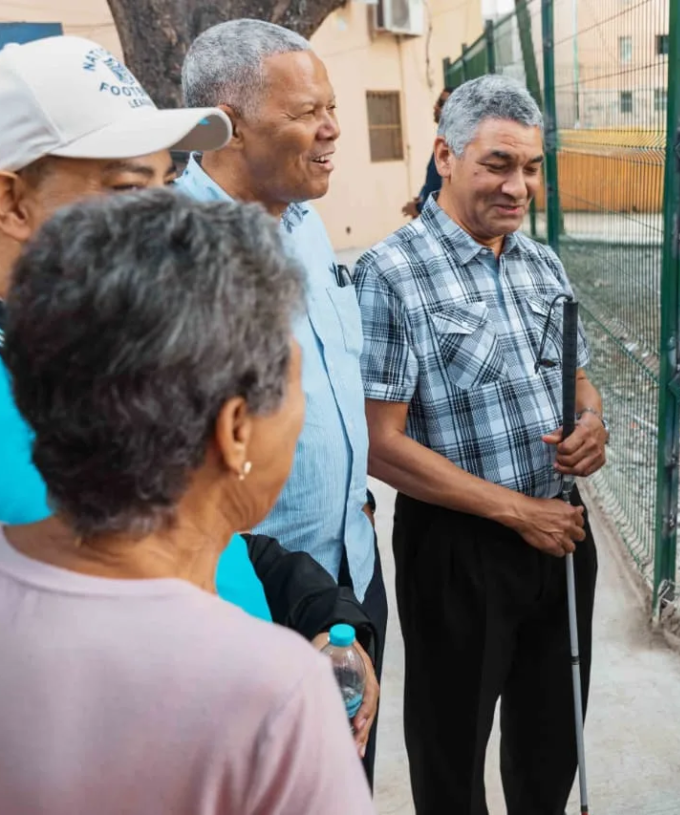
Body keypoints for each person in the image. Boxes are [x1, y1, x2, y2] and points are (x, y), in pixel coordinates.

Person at [0, 34, 380, 757]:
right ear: (12, 201)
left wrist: (310, 602)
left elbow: (195, 536)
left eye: (163, 182)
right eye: (126, 191)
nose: (164, 217)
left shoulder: (116, 348)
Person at [355, 73, 607, 815]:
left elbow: (578, 380)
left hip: (561, 533)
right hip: (458, 550)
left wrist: (592, 424)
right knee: (452, 750)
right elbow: (379, 443)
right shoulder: (391, 274)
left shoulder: (541, 263)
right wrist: (515, 512)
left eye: (530, 167)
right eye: (498, 164)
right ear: (446, 156)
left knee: (551, 739)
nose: (517, 186)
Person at [178, 19, 386, 782]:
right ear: (228, 126)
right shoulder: (173, 251)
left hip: (350, 580)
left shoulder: (303, 219)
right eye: (306, 113)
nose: (333, 130)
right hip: (254, 600)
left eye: (332, 107)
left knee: (350, 777)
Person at [401, 86, 453, 219]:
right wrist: (421, 198)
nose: (435, 107)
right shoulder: (443, 141)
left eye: (441, 103)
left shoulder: (452, 146)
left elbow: (444, 194)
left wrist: (418, 208)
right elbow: (434, 183)